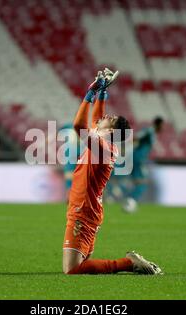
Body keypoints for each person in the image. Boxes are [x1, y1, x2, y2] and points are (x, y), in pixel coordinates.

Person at [62, 68, 162, 275]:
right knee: (81, 263)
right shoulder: (106, 144)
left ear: (112, 131)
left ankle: (128, 263)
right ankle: (126, 262)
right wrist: (102, 93)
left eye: (111, 119)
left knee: (72, 269)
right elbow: (97, 121)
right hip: (88, 209)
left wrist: (89, 94)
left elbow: (79, 125)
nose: (106, 116)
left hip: (84, 211)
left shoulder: (102, 147)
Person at [121, 117, 164, 213]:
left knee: (139, 182)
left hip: (139, 158)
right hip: (138, 158)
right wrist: (126, 146)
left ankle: (129, 200)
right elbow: (137, 137)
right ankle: (130, 201)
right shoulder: (149, 131)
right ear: (159, 124)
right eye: (162, 125)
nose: (163, 128)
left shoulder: (152, 133)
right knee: (142, 182)